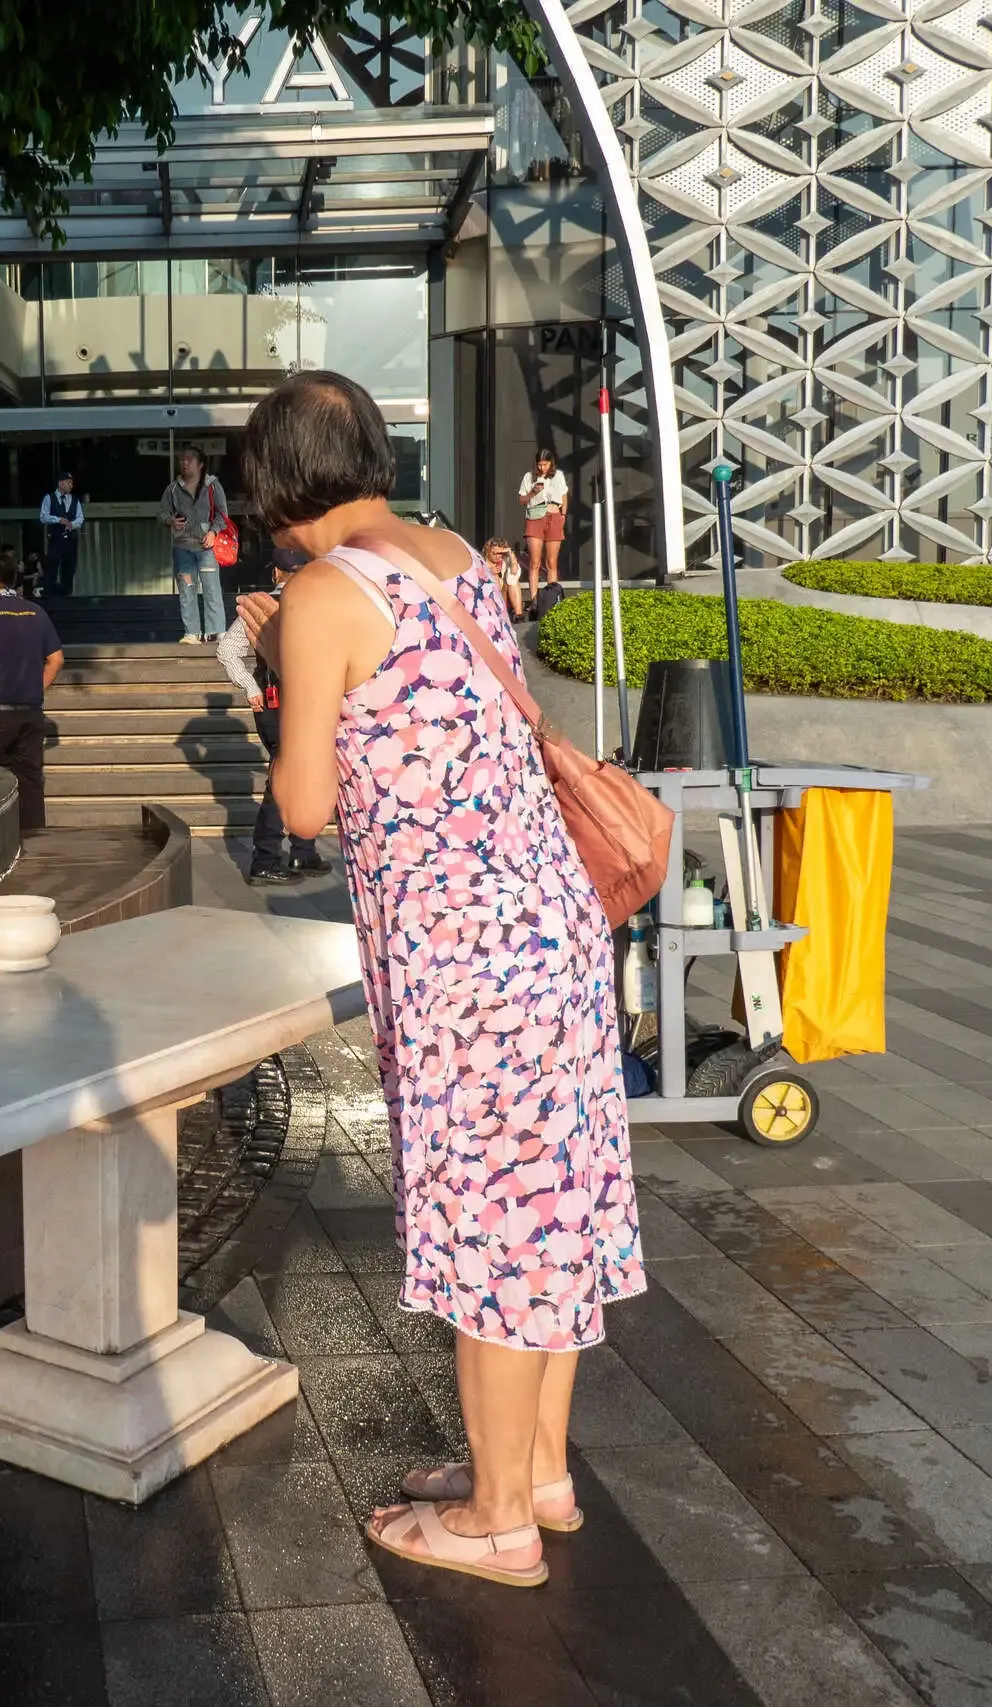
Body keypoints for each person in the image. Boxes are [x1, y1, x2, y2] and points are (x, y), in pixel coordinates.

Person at [235, 371, 642, 1589]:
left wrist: (274, 663)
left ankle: (497, 1522)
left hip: (462, 965)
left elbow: (303, 805)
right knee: (548, 1212)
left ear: (273, 484)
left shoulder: (318, 593)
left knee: (491, 1236)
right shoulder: (456, 553)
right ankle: (537, 1471)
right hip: (552, 931)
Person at [216, 551, 330, 887]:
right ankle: (266, 858)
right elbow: (227, 649)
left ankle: (301, 850)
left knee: (297, 775)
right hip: (288, 701)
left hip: (280, 700)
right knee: (285, 777)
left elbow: (226, 649)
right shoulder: (313, 604)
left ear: (277, 570)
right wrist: (252, 688)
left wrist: (251, 687)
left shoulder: (263, 604)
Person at [0, 552, 64, 831]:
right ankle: (35, 841)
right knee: (31, 781)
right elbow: (56, 660)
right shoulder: (36, 611)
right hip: (30, 713)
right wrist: (35, 686)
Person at [159, 445, 231, 644]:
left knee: (211, 588)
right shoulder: (173, 488)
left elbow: (223, 514)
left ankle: (216, 630)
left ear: (200, 464)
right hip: (182, 547)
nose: (185, 462)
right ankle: (192, 632)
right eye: (182, 459)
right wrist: (170, 521)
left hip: (207, 547)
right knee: (187, 590)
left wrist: (213, 531)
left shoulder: (212, 485)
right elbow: (162, 513)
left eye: (190, 459)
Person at [517, 449, 569, 604]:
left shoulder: (558, 475)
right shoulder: (529, 477)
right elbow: (521, 500)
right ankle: (533, 601)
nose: (542, 468)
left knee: (552, 562)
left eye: (545, 464)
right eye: (540, 464)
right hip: (535, 517)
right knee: (535, 562)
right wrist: (533, 492)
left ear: (551, 463)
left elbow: (564, 496)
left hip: (554, 516)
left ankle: (552, 600)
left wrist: (563, 516)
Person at [39, 472, 85, 600]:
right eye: (68, 482)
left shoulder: (75, 500)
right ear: (60, 483)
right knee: (53, 564)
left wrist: (72, 524)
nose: (71, 485)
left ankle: (67, 594)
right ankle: (50, 594)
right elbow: (43, 517)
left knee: (69, 567)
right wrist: (58, 520)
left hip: (71, 539)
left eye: (72, 483)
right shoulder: (49, 498)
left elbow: (80, 519)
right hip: (56, 537)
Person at [485, 538, 526, 619]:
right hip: (488, 600)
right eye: (494, 553)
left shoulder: (505, 560)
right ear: (487, 552)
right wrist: (488, 570)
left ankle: (519, 615)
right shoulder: (482, 562)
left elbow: (514, 572)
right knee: (495, 578)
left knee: (513, 581)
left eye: (500, 553)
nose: (497, 556)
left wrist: (511, 555)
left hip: (505, 594)